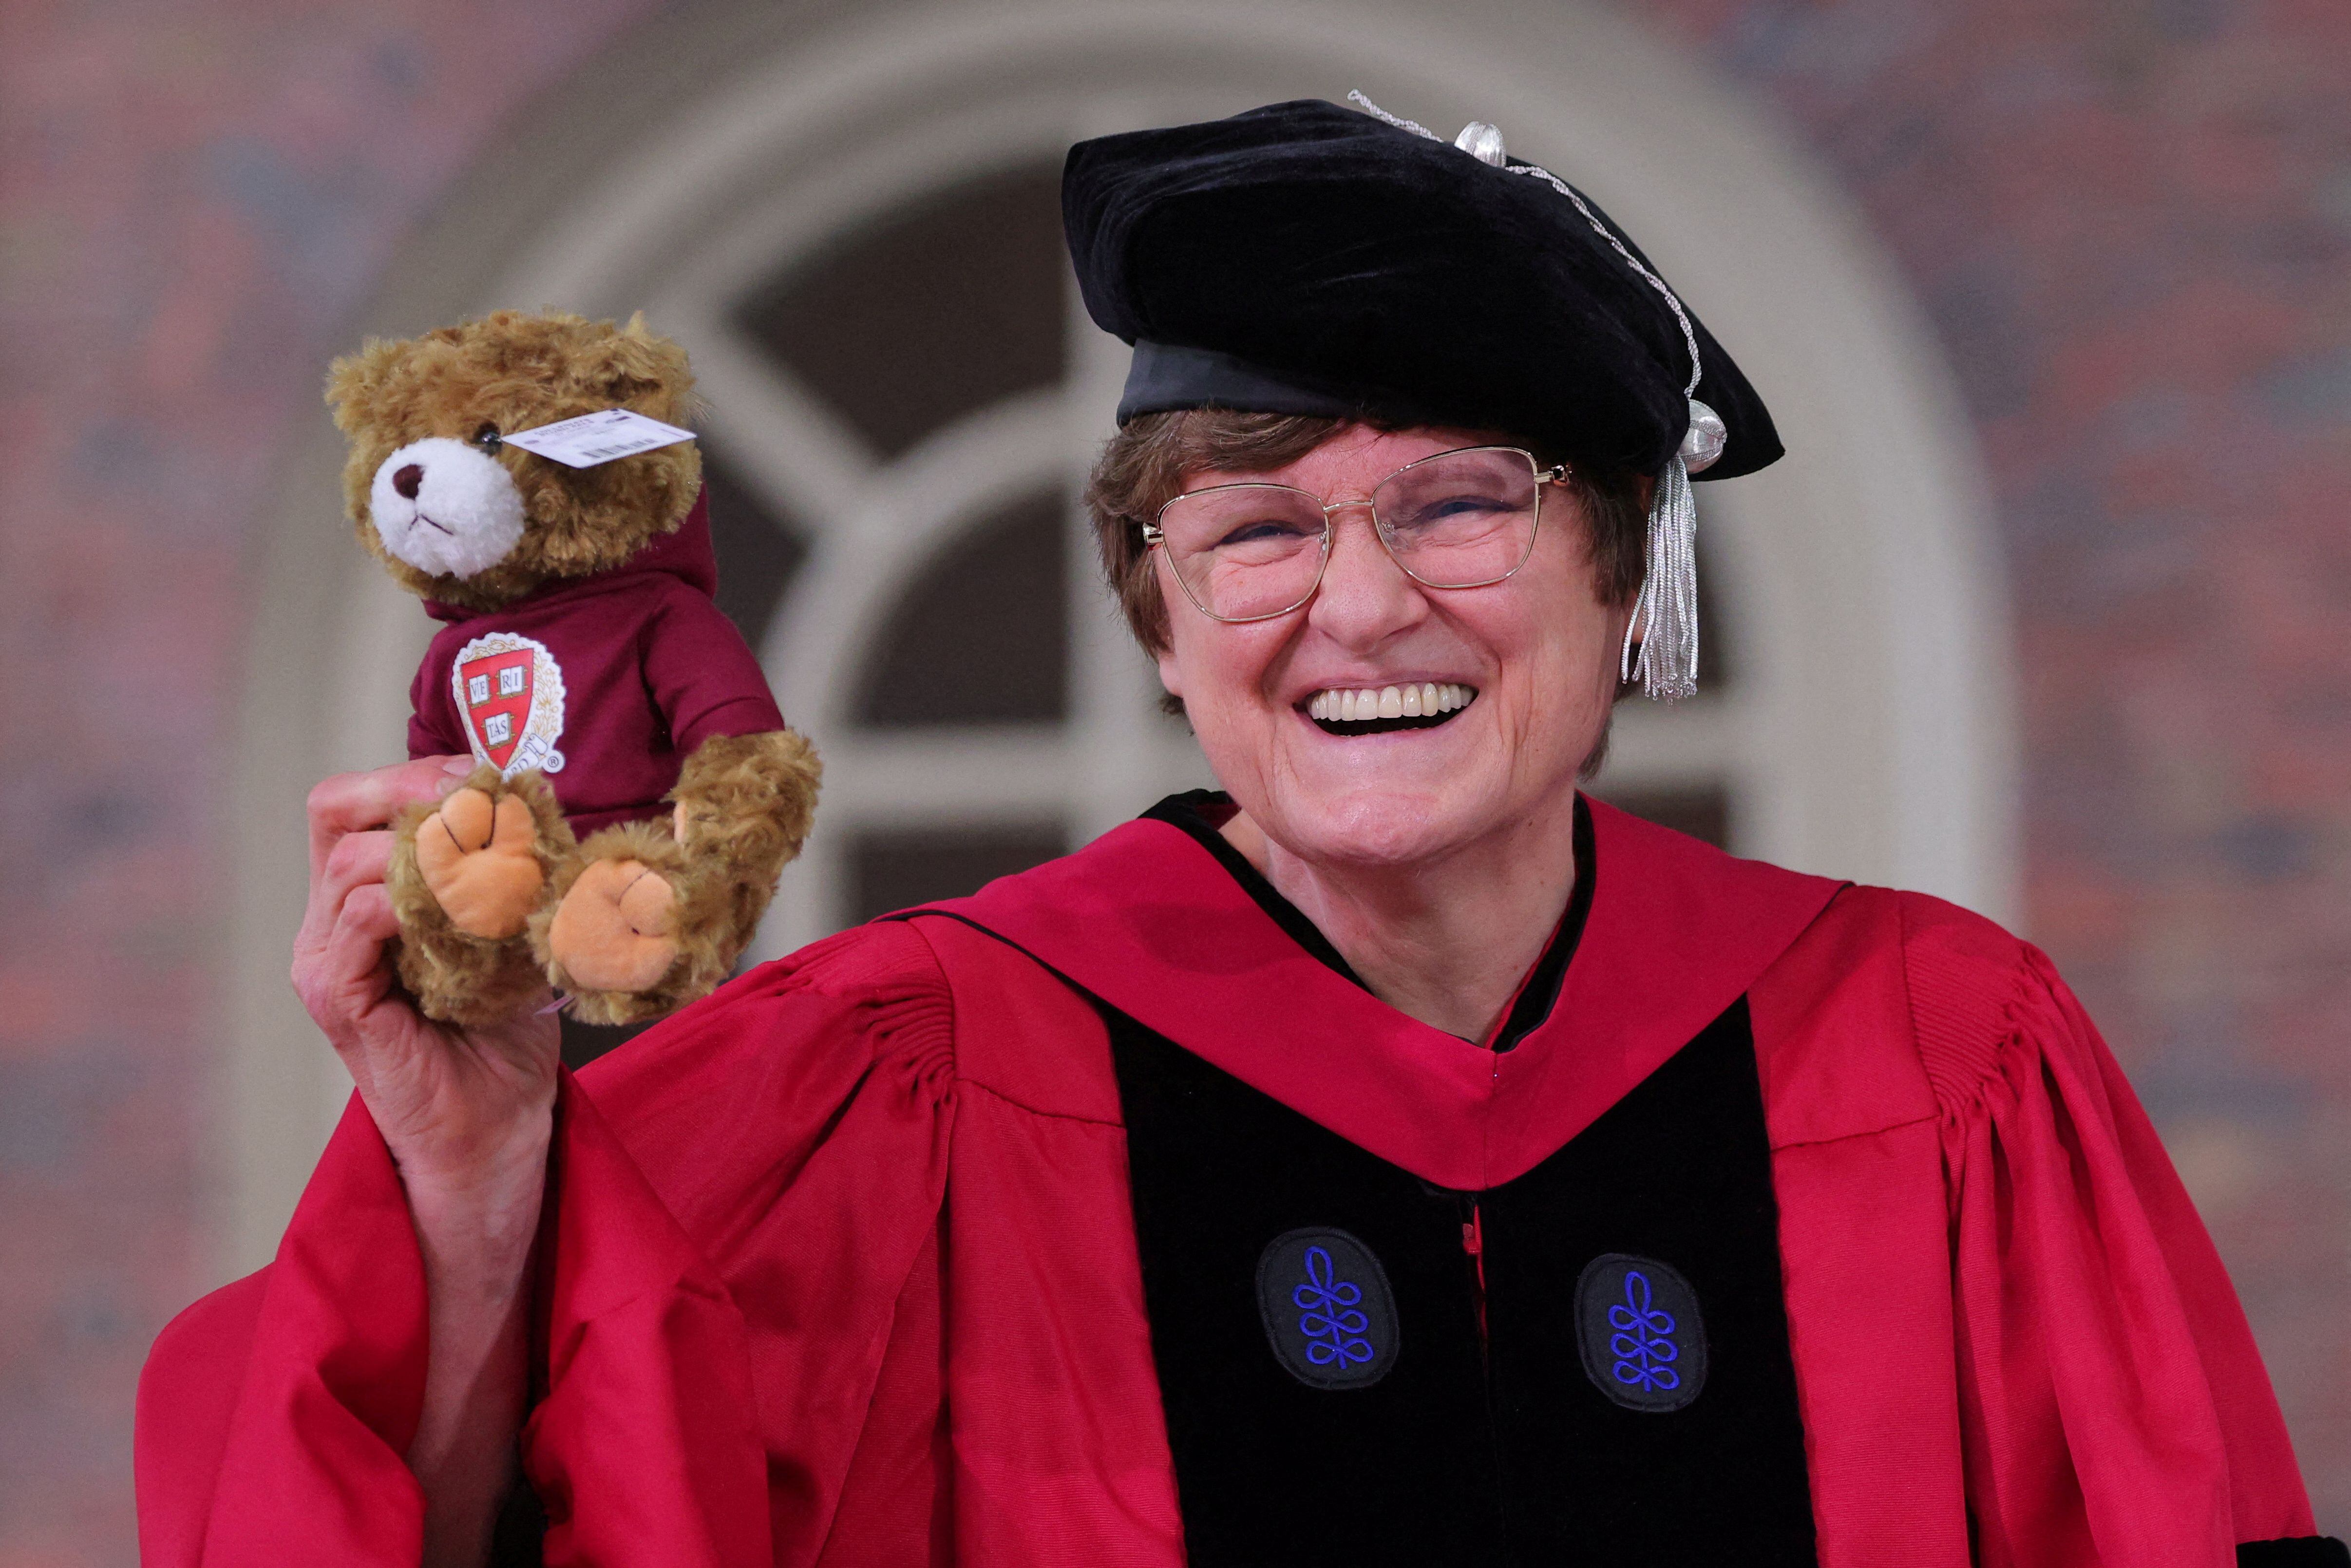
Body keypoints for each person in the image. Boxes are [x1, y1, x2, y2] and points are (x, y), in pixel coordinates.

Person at [137, 98, 2341, 1568]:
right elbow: (464, 1521)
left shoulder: (1942, 1058)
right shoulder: (888, 1086)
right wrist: (468, 1170)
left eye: (1465, 499)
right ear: (1163, 621)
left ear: (1621, 574)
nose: (1361, 602)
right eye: (1256, 526)